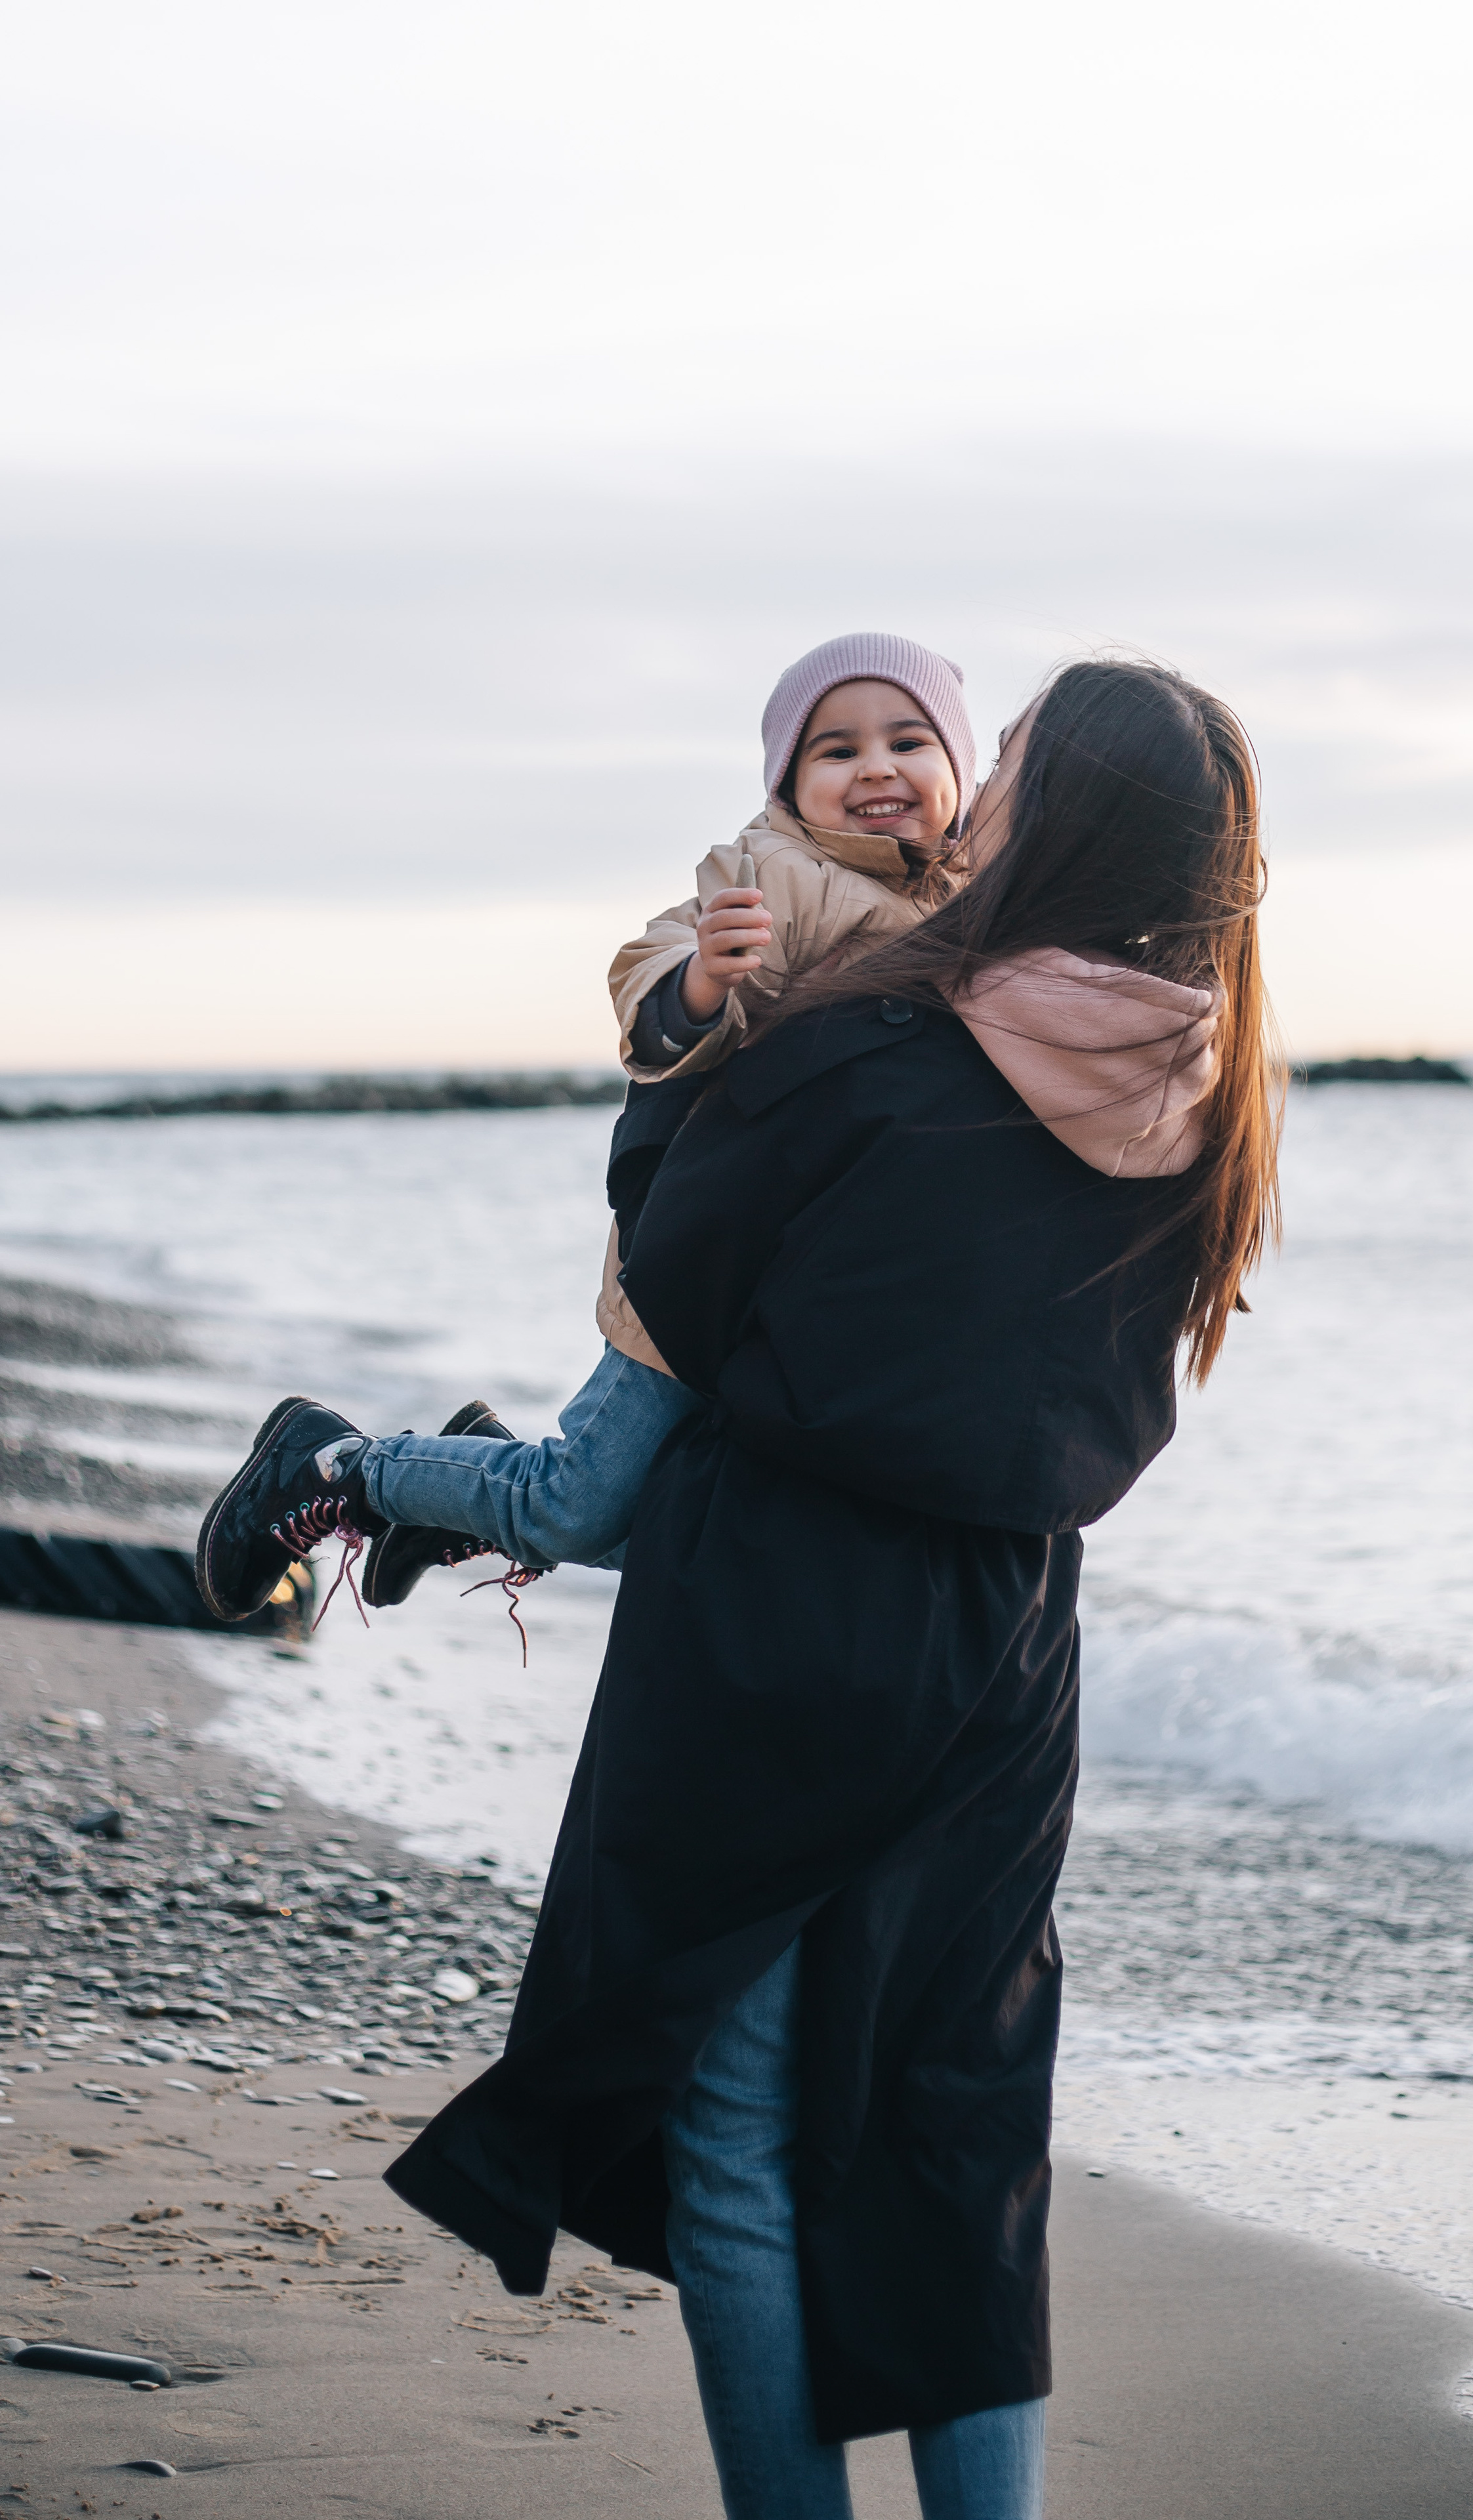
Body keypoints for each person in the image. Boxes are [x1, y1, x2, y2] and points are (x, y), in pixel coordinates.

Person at [194, 658, 1280, 2519]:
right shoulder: (1213, 1108)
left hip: (774, 1629)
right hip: (1007, 1661)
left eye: (998, 754)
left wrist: (705, 1082)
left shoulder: (867, 1037)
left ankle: (370, 1475)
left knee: (733, 2128)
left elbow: (675, 1262)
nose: (965, 779)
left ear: (1052, 814)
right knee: (956, 2134)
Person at [194, 631, 976, 1626]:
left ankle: (466, 1486)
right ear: (789, 783)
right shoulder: (774, 871)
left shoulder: (971, 904)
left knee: (723, 1531)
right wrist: (701, 981)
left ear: (961, 769)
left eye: (909, 741)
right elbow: (647, 968)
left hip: (801, 1298)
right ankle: (343, 1465)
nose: (874, 767)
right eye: (835, 750)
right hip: (697, 1276)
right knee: (577, 1510)